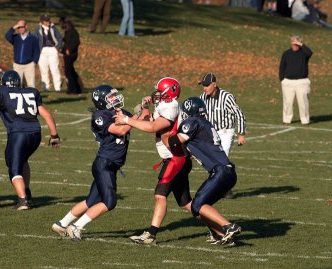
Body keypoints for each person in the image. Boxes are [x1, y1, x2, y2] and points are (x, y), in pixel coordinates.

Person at [114, 77, 193, 245]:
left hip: (176, 157)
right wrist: (144, 109)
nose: (156, 93)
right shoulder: (164, 105)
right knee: (186, 204)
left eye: (159, 91)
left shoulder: (171, 106)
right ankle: (221, 228)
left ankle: (151, 234)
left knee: (160, 194)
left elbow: (153, 128)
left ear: (169, 93)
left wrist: (127, 120)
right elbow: (149, 123)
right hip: (174, 157)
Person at [51, 84, 134, 240]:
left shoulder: (120, 112)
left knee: (92, 200)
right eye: (111, 97)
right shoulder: (100, 116)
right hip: (105, 164)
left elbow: (141, 121)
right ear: (102, 101)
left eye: (114, 96)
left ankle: (62, 224)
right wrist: (134, 117)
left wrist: (143, 108)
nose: (115, 99)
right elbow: (121, 130)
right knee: (109, 202)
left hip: (110, 165)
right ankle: (76, 227)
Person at [0, 70, 60, 210]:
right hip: (36, 134)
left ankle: (23, 200)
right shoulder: (31, 92)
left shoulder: (0, 91)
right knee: (21, 160)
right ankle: (27, 192)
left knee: (14, 168)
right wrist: (54, 136)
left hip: (19, 134)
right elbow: (47, 115)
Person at [168, 96, 242, 245]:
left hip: (220, 172)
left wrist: (165, 130)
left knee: (197, 205)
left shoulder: (192, 122)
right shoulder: (205, 123)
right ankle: (220, 234)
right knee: (200, 207)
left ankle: (229, 226)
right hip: (228, 172)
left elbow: (175, 142)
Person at [198, 73, 246, 199]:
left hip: (226, 131)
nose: (205, 88)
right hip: (211, 132)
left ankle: (223, 189)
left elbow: (239, 114)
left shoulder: (227, 97)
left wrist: (241, 133)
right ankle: (225, 185)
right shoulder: (202, 97)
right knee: (211, 161)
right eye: (203, 85)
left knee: (220, 159)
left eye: (207, 85)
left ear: (215, 84)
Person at [279, 36, 312, 125]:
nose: (295, 45)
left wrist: (300, 44)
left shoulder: (304, 53)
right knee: (288, 102)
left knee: (303, 103)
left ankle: (305, 120)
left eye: (297, 43)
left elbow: (310, 53)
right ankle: (286, 119)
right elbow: (282, 67)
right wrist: (282, 79)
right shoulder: (286, 53)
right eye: (293, 43)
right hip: (288, 82)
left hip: (302, 82)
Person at [5, 20, 40, 88]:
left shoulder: (33, 38)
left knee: (31, 84)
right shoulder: (16, 38)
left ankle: (32, 98)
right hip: (17, 65)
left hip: (29, 65)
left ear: (26, 26)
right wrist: (14, 27)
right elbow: (7, 36)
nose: (20, 29)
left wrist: (34, 62)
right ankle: (18, 98)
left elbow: (37, 51)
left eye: (22, 27)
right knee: (16, 84)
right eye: (19, 27)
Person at [34, 15, 63, 92]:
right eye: (46, 21)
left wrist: (57, 47)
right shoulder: (38, 29)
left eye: (48, 20)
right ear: (42, 21)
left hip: (52, 49)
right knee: (44, 70)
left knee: (55, 69)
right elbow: (34, 40)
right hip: (42, 51)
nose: (48, 22)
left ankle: (58, 87)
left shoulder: (53, 28)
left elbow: (59, 38)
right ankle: (46, 87)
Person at [59, 17, 82, 95]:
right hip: (67, 54)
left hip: (71, 54)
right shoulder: (67, 32)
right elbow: (66, 43)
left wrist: (69, 49)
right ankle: (77, 88)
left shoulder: (73, 32)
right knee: (71, 71)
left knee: (68, 72)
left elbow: (76, 42)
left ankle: (72, 89)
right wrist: (62, 50)